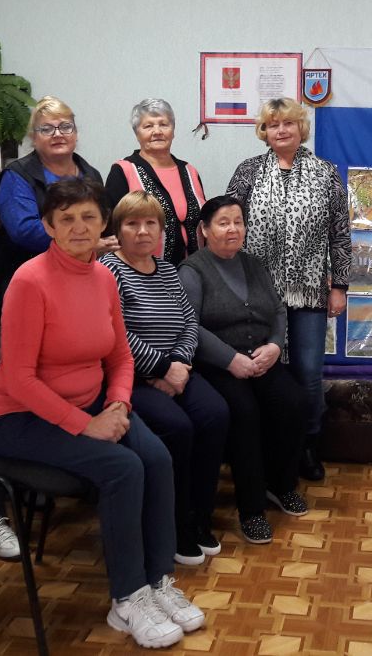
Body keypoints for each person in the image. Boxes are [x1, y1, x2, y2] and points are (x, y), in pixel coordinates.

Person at [0, 178, 204, 649]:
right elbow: (19, 379)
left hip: (94, 404)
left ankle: (158, 581)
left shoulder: (104, 277)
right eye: (66, 219)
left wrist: (119, 403)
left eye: (88, 216)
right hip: (20, 418)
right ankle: (127, 598)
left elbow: (120, 357)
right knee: (124, 468)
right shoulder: (29, 281)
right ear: (48, 226)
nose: (79, 227)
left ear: (104, 222)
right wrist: (87, 425)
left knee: (157, 458)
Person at [225, 98, 350, 482]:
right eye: (273, 124)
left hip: (310, 289)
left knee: (308, 371)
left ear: (301, 128)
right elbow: (228, 225)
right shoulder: (248, 171)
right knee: (267, 370)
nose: (281, 130)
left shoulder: (326, 173)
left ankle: (307, 444)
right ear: (264, 131)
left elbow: (340, 234)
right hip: (258, 293)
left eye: (288, 123)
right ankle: (269, 446)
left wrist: (340, 285)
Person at [102, 191, 228, 566]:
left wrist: (180, 364)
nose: (143, 231)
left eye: (150, 223)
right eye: (132, 223)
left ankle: (199, 516)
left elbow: (189, 322)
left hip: (176, 371)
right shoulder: (109, 271)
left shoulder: (167, 269)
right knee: (178, 427)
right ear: (118, 230)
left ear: (161, 230)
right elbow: (116, 334)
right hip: (132, 380)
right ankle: (173, 524)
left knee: (216, 414)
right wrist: (161, 368)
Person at [179, 196, 310, 545]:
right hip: (218, 366)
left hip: (261, 359)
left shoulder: (253, 264)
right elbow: (190, 326)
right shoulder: (192, 271)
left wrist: (275, 345)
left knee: (295, 402)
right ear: (204, 230)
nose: (233, 229)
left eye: (238, 222)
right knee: (245, 414)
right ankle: (251, 510)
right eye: (223, 223)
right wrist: (229, 359)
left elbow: (277, 310)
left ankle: (280, 485)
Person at [0, 96, 114, 321]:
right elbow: (24, 231)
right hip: (26, 285)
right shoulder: (16, 176)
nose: (57, 134)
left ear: (75, 133)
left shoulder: (91, 174)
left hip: (81, 282)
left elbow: (101, 221)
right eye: (46, 129)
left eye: (65, 126)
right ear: (33, 138)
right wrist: (82, 244)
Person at [105, 98, 207, 265]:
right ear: (137, 133)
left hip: (194, 271)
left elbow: (205, 222)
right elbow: (110, 230)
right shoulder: (123, 170)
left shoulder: (190, 171)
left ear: (173, 130)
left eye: (164, 124)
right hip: (141, 272)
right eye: (148, 126)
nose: (157, 131)